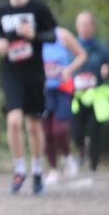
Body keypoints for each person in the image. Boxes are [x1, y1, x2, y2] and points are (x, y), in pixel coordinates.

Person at [0, 0, 58, 195]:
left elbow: (53, 36)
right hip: (11, 71)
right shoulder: (2, 9)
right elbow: (2, 38)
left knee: (33, 124)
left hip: (34, 72)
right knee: (13, 120)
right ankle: (19, 169)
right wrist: (0, 45)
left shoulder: (38, 8)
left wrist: (35, 35)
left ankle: (37, 170)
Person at [71, 11, 109, 177]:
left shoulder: (101, 48)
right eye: (80, 24)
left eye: (86, 24)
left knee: (95, 130)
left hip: (96, 96)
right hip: (76, 96)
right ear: (77, 26)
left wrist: (107, 71)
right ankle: (80, 150)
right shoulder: (71, 46)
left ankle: (93, 165)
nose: (83, 27)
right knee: (75, 131)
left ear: (93, 27)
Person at [40, 26, 87, 185]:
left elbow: (82, 55)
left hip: (62, 89)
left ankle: (67, 157)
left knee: (59, 130)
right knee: (46, 132)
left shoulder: (62, 35)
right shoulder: (33, 37)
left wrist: (69, 69)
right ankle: (53, 169)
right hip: (43, 90)